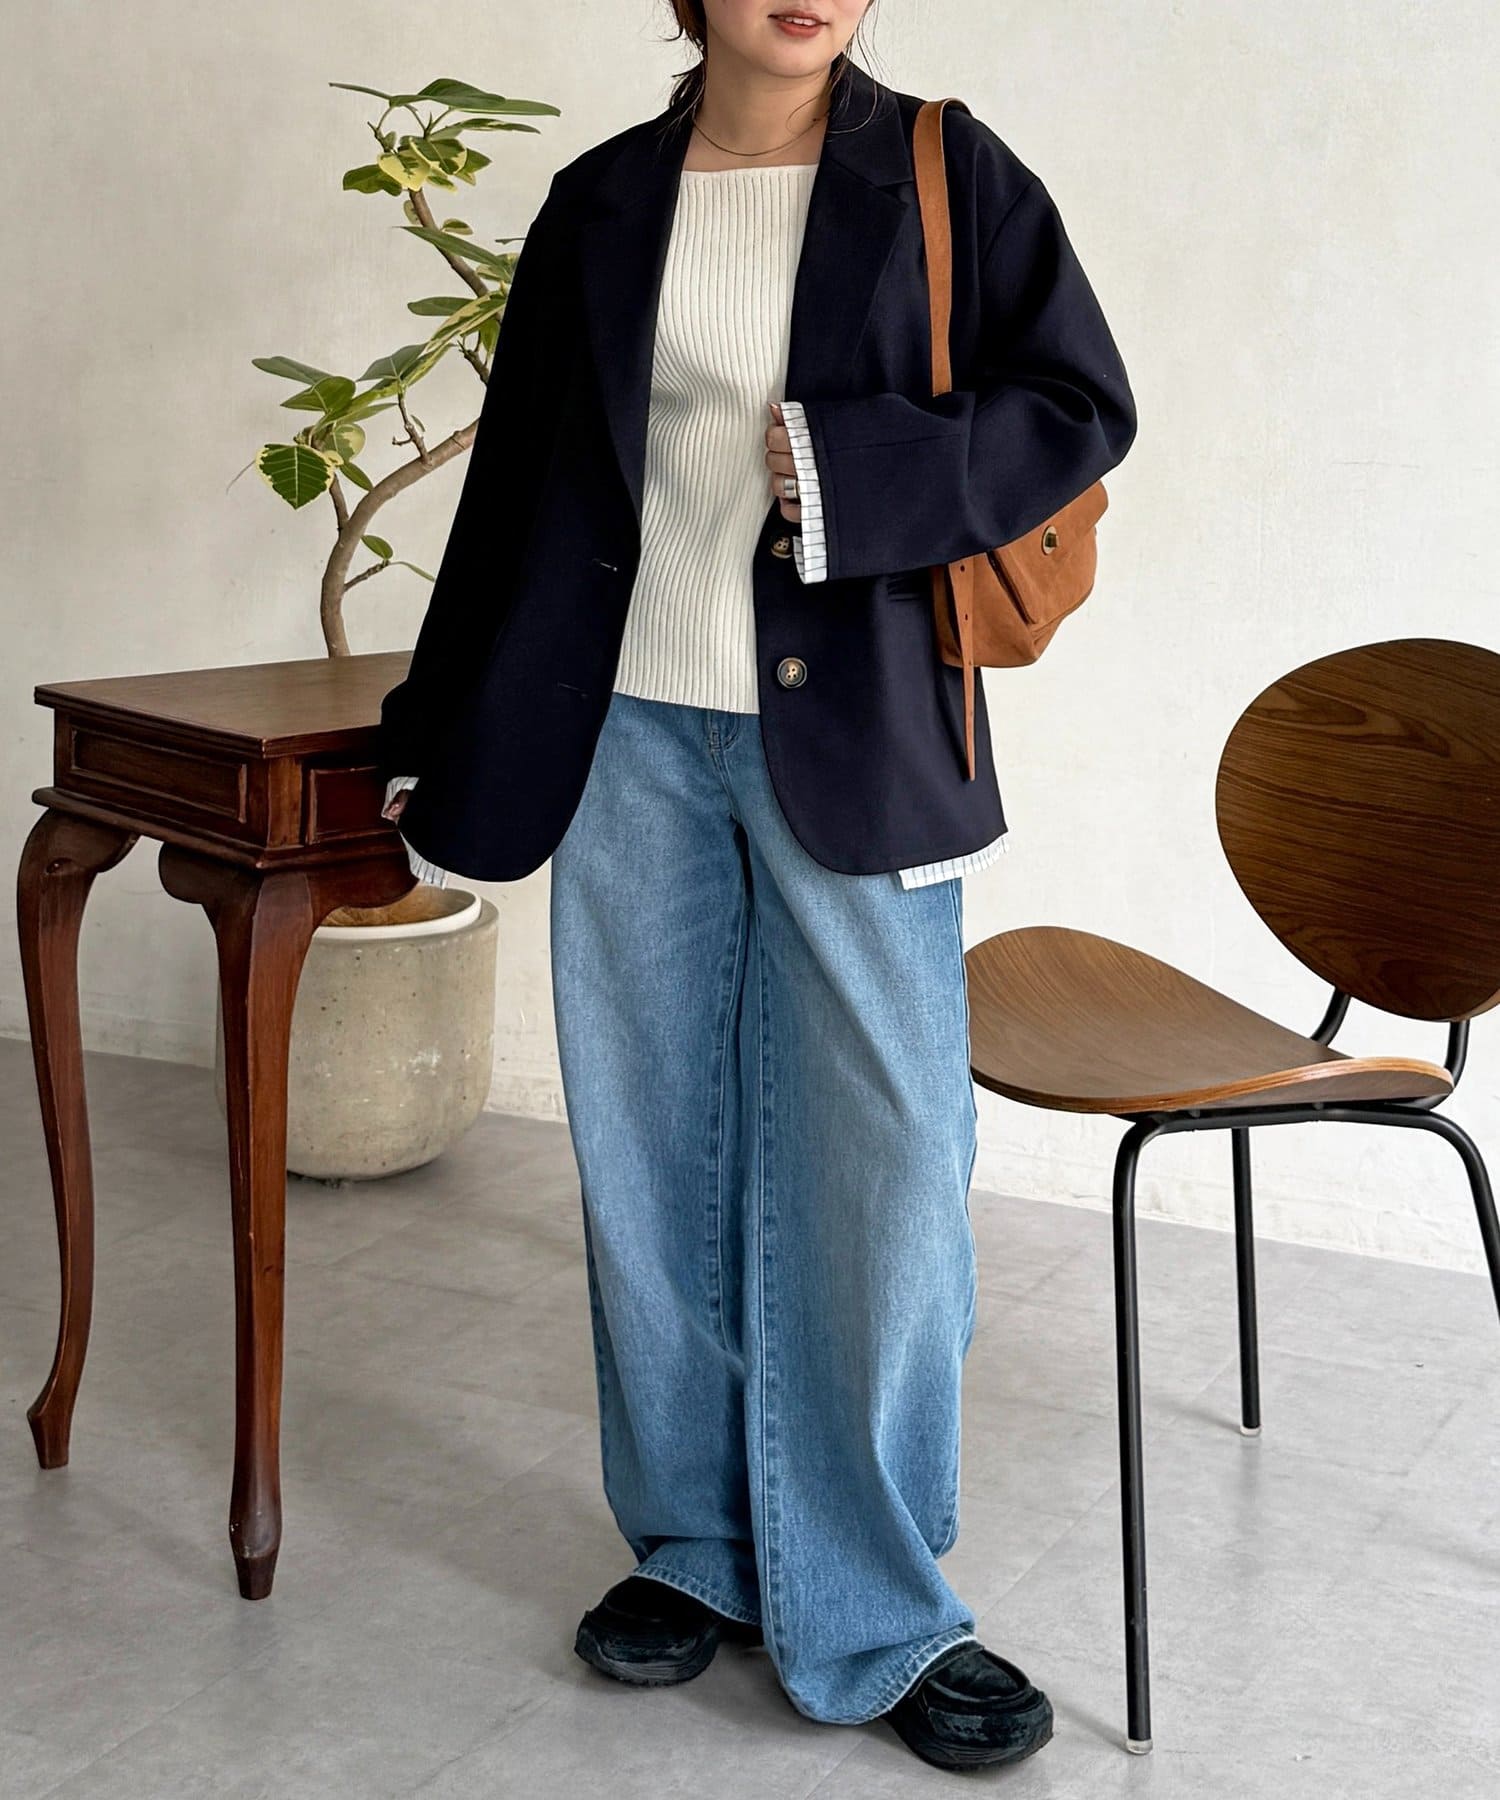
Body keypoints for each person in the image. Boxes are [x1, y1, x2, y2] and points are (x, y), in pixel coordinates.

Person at [378, 0, 1136, 1772]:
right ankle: (697, 1548)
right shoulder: (601, 197)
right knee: (653, 1149)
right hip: (625, 734)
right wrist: (432, 719)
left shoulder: (945, 170)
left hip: (857, 736)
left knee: (887, 1172)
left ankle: (877, 1607)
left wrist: (858, 475)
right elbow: (520, 476)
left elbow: (1078, 406)